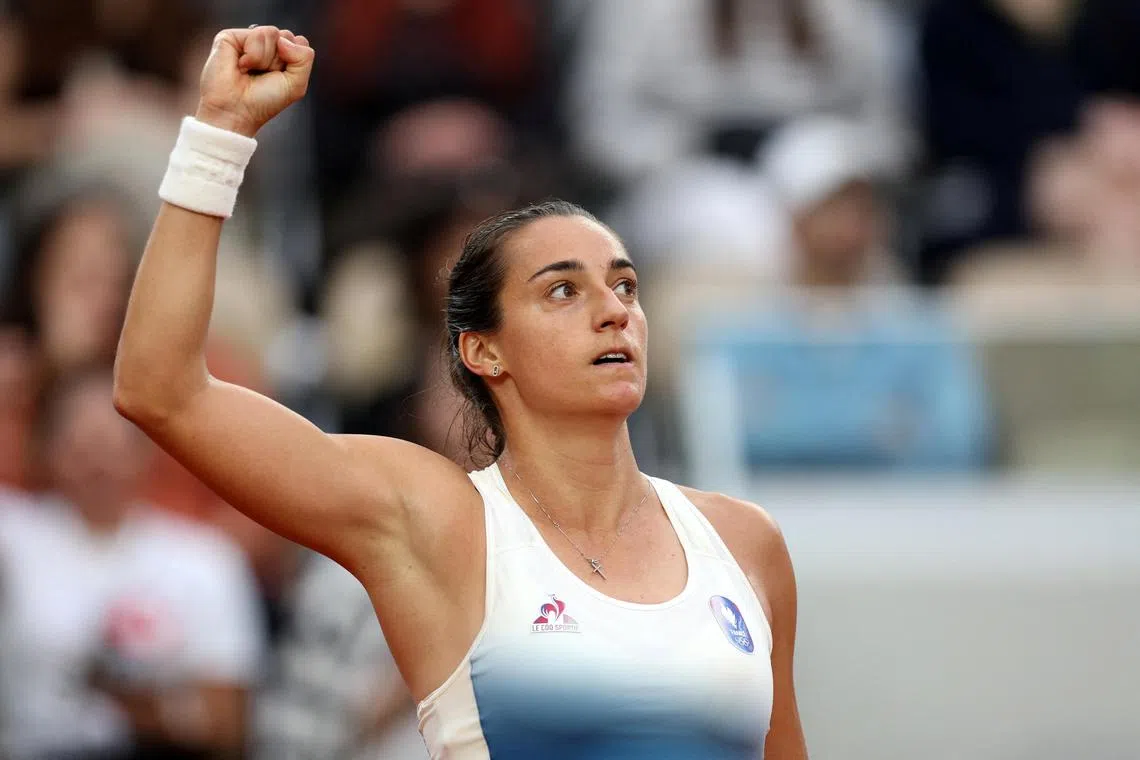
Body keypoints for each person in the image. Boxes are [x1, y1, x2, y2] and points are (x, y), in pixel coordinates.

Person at [113, 25, 807, 759]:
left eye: (625, 284)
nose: (614, 309)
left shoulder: (745, 541)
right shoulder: (435, 522)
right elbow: (161, 389)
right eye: (563, 290)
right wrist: (219, 135)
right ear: (483, 350)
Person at [0, 366, 264, 760]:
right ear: (44, 446)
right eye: (80, 441)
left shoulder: (204, 559)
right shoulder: (12, 536)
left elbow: (227, 724)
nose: (97, 461)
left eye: (111, 441)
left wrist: (129, 701)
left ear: (148, 448)